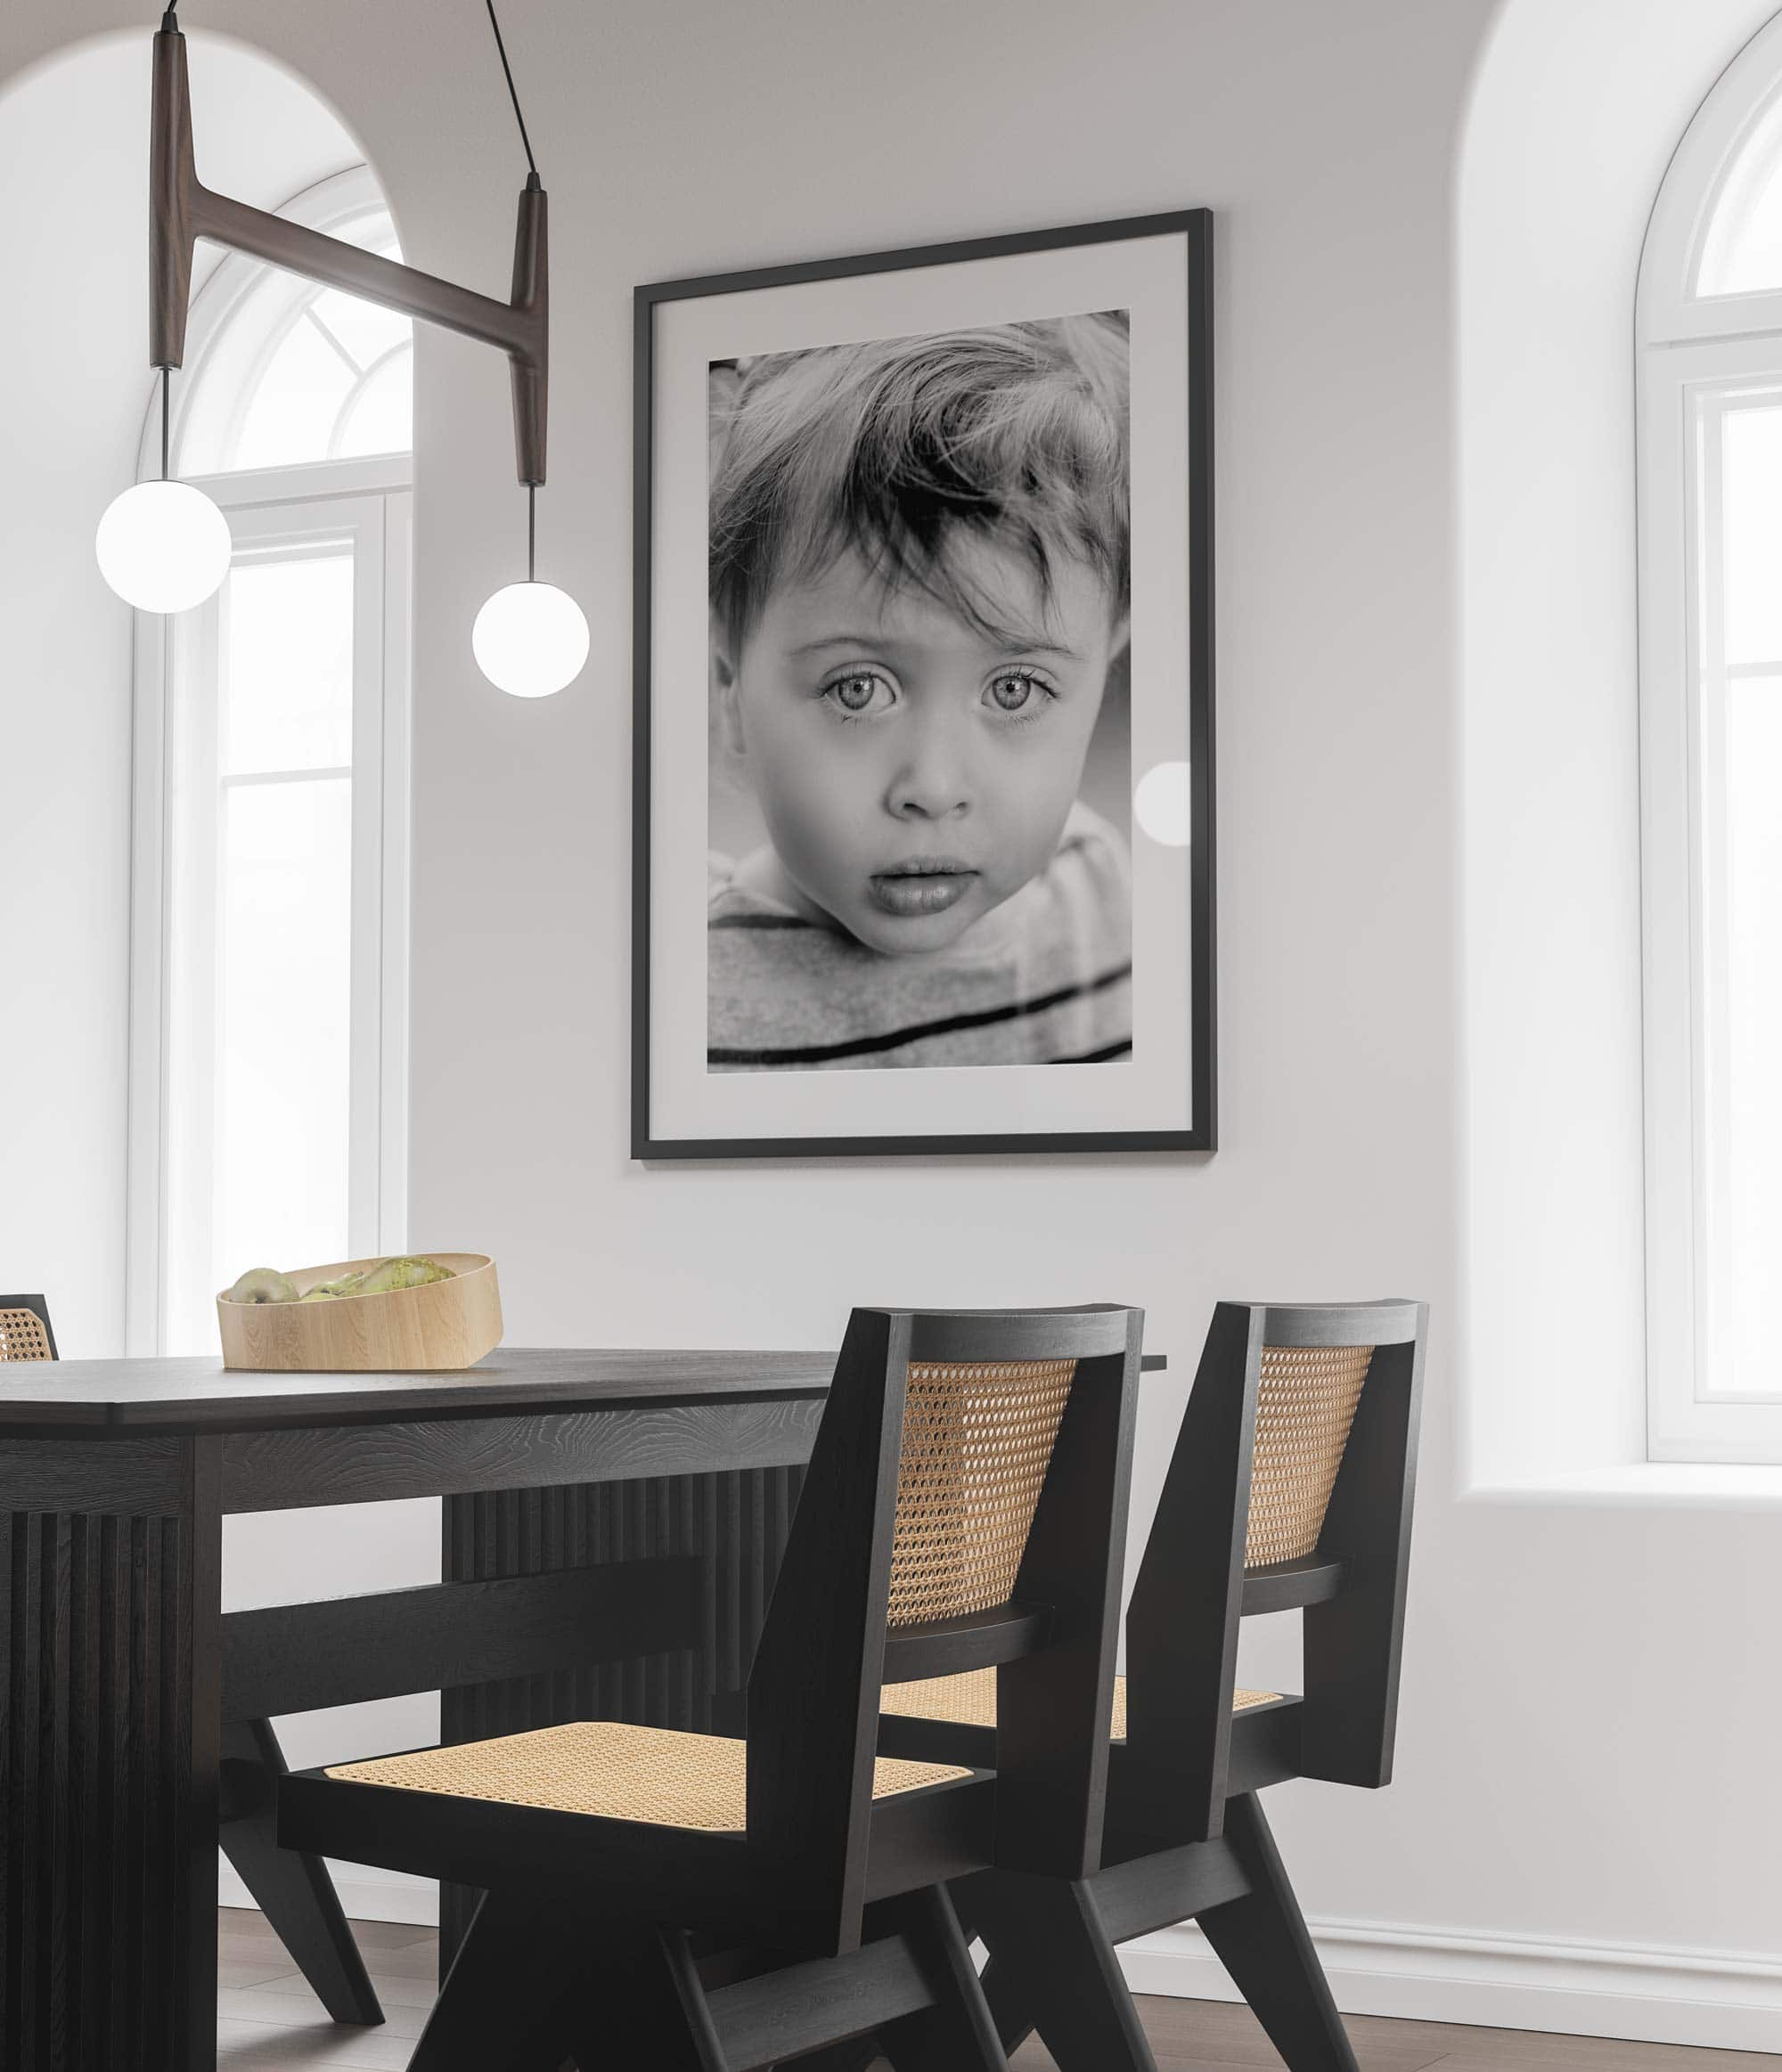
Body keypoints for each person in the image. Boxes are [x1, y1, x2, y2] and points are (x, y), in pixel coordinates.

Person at [707, 314, 1132, 1072]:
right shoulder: (687, 995)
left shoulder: (1104, 899)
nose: (933, 789)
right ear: (729, 688)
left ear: (1105, 669)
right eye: (860, 688)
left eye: (1014, 688)